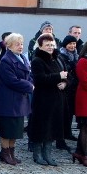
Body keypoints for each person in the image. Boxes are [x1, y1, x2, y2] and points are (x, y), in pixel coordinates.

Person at [0, 33, 34, 165]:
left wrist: (31, 83)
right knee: (7, 128)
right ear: (9, 45)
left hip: (19, 100)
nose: (20, 46)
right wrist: (29, 86)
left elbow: (28, 74)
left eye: (21, 44)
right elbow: (11, 80)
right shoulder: (6, 60)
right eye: (17, 44)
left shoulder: (22, 57)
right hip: (8, 100)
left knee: (16, 129)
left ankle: (11, 152)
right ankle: (5, 152)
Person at [29, 34, 68, 166]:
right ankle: (38, 154)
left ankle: (48, 154)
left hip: (57, 99)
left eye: (52, 45)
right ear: (40, 46)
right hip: (43, 100)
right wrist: (58, 76)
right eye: (47, 45)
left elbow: (67, 75)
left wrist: (65, 83)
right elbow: (40, 79)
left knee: (52, 128)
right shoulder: (37, 60)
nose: (50, 47)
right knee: (41, 127)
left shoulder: (57, 58)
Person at [58, 35, 80, 146]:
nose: (72, 46)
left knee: (70, 112)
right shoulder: (61, 55)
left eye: (74, 43)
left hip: (74, 88)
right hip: (65, 87)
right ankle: (60, 137)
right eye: (70, 44)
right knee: (63, 113)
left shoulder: (76, 56)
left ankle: (68, 132)